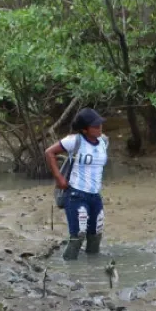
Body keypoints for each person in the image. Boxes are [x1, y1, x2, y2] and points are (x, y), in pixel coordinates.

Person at [45, 108, 110, 260]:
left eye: (100, 124)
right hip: (76, 194)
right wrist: (59, 178)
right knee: (78, 235)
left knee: (96, 233)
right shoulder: (75, 141)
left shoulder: (104, 142)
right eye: (95, 125)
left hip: (95, 196)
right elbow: (49, 152)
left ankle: (93, 268)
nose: (99, 127)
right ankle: (70, 269)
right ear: (84, 129)